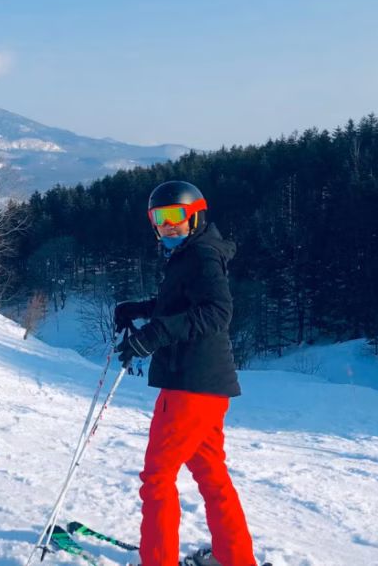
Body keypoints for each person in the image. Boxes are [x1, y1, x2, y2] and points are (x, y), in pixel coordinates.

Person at [113, 181, 259, 566]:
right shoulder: (193, 253)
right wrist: (140, 309)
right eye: (158, 220)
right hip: (207, 384)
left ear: (194, 216)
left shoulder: (202, 256)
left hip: (190, 386)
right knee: (211, 475)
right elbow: (181, 303)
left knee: (157, 478)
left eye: (175, 217)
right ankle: (235, 558)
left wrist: (156, 333)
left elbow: (216, 311)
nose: (167, 227)